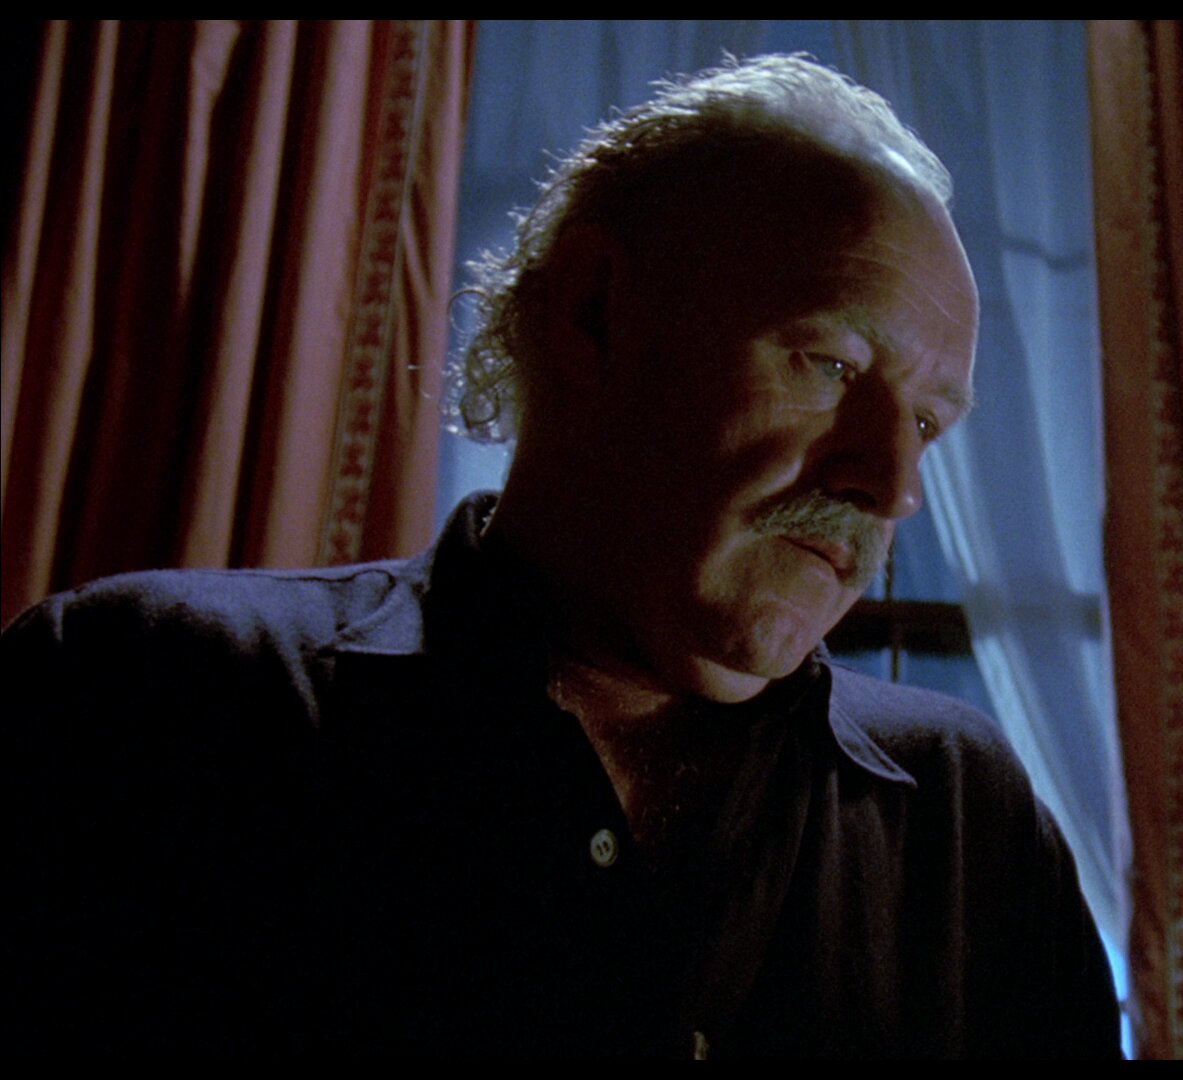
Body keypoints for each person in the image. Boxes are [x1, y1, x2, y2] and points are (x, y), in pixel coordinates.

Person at [2, 55, 1119, 1057]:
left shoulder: (965, 818)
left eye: (926, 421)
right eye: (828, 364)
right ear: (592, 313)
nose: (894, 483)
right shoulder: (143, 694)